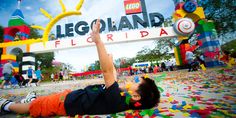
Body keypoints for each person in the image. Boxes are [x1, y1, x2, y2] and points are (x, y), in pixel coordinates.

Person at [0, 19, 160, 117]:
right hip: (69, 97)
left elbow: (107, 73)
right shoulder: (120, 97)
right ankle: (32, 99)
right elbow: (112, 73)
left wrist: (98, 41)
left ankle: (7, 105)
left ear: (136, 97)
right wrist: (110, 61)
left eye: (137, 81)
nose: (133, 79)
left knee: (32, 108)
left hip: (62, 104)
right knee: (41, 101)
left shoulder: (116, 100)